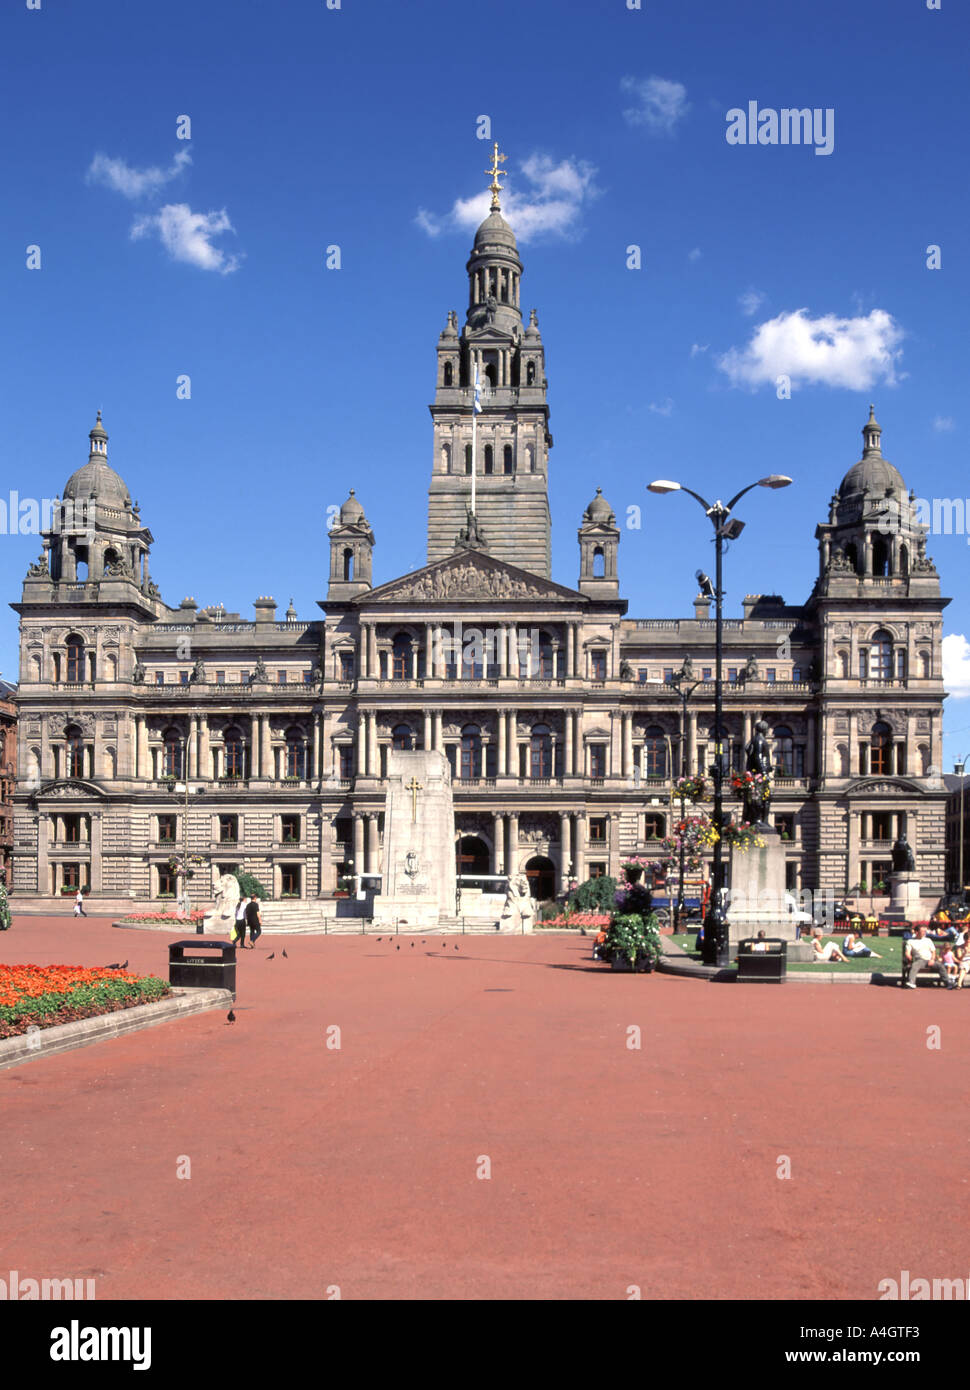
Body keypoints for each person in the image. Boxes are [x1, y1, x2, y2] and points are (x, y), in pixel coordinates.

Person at [903, 924, 956, 989]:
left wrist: (932, 959)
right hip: (920, 960)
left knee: (940, 966)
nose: (924, 933)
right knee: (915, 965)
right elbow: (907, 952)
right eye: (922, 931)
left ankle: (948, 983)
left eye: (925, 931)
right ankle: (911, 983)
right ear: (917, 932)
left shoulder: (928, 940)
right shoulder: (910, 941)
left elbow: (933, 951)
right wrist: (908, 956)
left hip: (930, 959)